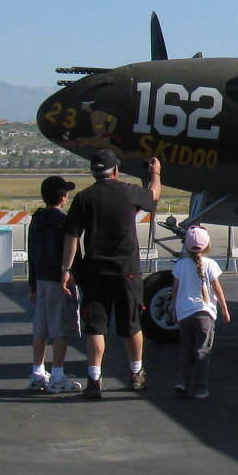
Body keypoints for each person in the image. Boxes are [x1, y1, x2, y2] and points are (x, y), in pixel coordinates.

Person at [60, 148, 162, 399]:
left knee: (96, 328)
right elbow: (152, 197)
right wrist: (155, 174)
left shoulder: (83, 199)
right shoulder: (128, 191)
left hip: (95, 272)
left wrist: (66, 270)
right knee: (131, 325)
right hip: (127, 271)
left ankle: (94, 380)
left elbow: (72, 237)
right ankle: (136, 374)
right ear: (115, 170)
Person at [26, 176, 84, 393]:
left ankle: (37, 372)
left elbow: (32, 253)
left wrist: (33, 285)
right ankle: (58, 374)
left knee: (41, 327)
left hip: (40, 278)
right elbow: (71, 251)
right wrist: (72, 275)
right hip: (58, 279)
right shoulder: (64, 221)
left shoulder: (37, 219)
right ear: (63, 197)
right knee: (60, 329)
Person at [172, 226, 230, 400]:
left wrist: (174, 309)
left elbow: (175, 290)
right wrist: (224, 309)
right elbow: (217, 289)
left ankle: (181, 382)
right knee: (202, 352)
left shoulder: (180, 265)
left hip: (184, 314)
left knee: (186, 350)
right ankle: (200, 388)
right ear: (206, 245)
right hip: (205, 314)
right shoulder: (211, 264)